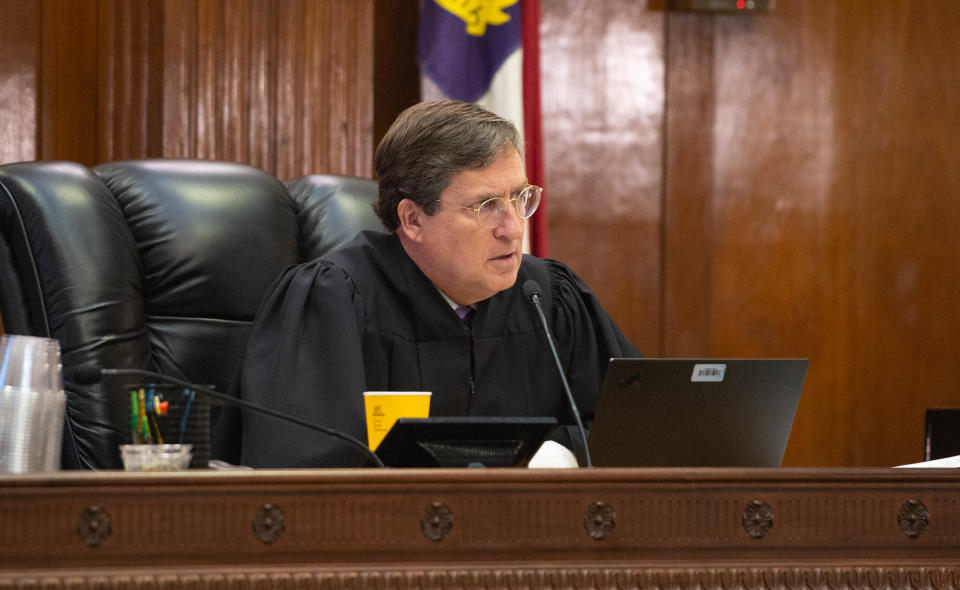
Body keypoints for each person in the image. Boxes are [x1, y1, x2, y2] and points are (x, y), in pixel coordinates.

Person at [213, 100, 640, 468]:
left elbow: (645, 425)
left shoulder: (547, 298)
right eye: (486, 206)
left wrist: (561, 452)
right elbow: (301, 470)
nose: (512, 228)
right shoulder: (334, 300)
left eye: (519, 198)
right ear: (413, 219)